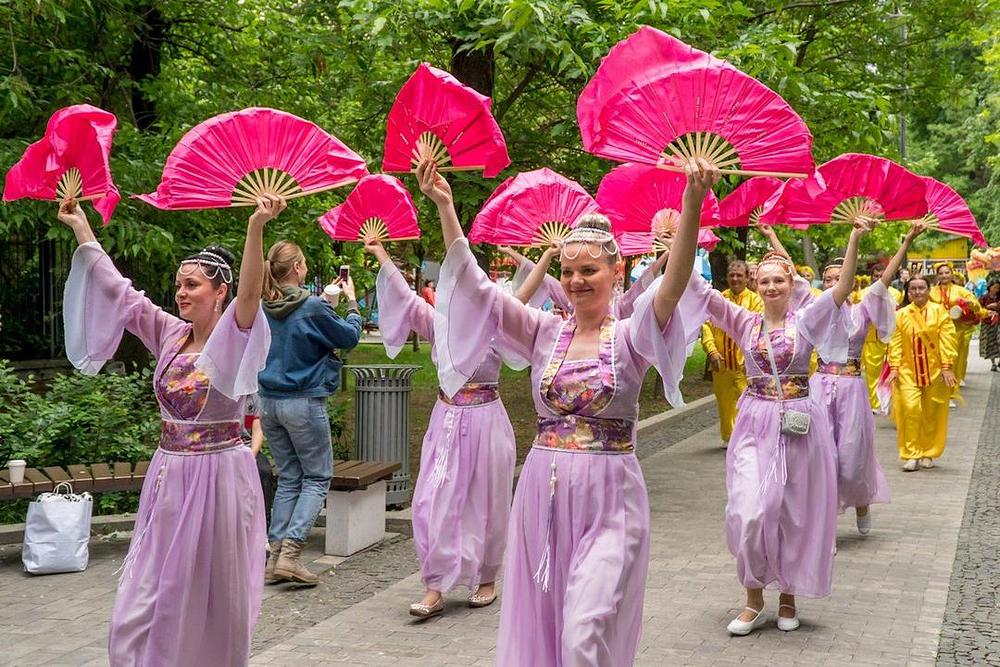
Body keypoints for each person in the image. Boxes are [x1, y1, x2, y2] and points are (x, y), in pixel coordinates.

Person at [422, 155, 717, 665]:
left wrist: (690, 203)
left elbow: (672, 286)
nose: (577, 280)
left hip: (612, 498)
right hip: (543, 491)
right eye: (569, 271)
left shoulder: (631, 336)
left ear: (615, 271)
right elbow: (474, 287)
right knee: (547, 620)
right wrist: (446, 207)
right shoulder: (541, 333)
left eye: (589, 270)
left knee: (585, 629)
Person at [60, 195, 281, 665]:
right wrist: (82, 229)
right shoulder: (168, 333)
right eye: (179, 284)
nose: (180, 293)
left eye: (193, 285)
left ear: (219, 291)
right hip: (169, 479)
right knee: (143, 600)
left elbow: (250, 297)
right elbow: (120, 292)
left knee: (210, 595)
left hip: (220, 479)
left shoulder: (235, 337)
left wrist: (256, 226)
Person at [685, 220, 871, 636]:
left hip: (799, 425)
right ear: (755, 283)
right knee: (749, 509)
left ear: (790, 284)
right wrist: (680, 237)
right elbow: (697, 291)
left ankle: (788, 595)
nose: (770, 287)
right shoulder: (742, 320)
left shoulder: (806, 320)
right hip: (754, 422)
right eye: (763, 280)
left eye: (778, 280)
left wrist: (855, 237)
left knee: (793, 512)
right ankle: (752, 597)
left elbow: (840, 290)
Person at [365, 238, 516, 620]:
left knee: (486, 499)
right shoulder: (440, 325)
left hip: (486, 420)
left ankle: (485, 577)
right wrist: (381, 253)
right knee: (433, 500)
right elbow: (406, 298)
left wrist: (541, 257)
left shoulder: (498, 327)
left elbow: (528, 303)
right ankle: (434, 583)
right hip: (446, 421)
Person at [258, 241, 363, 585]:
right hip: (303, 401)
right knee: (317, 477)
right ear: (299, 267)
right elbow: (348, 337)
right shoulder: (311, 306)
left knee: (289, 476)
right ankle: (291, 554)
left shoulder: (263, 306)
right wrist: (351, 302)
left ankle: (275, 558)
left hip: (268, 402)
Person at [812, 223, 924, 535]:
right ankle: (825, 524)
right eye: (830, 279)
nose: (837, 283)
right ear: (823, 284)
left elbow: (886, 279)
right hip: (820, 387)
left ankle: (861, 500)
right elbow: (791, 282)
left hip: (851, 388)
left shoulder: (862, 310)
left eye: (841, 277)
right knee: (821, 455)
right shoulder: (815, 310)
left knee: (851, 454)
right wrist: (772, 237)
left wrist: (907, 241)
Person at [887, 275, 958, 470]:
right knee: (911, 409)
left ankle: (929, 452)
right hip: (908, 371)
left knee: (931, 412)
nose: (917, 292)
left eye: (921, 288)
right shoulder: (900, 315)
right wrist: (894, 368)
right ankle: (912, 453)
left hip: (935, 372)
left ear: (928, 290)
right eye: (913, 289)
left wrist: (946, 366)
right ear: (907, 292)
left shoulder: (940, 312)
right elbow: (895, 343)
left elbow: (948, 340)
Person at [701, 260, 763, 446]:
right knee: (725, 404)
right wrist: (711, 351)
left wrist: (750, 356)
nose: (735, 279)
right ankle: (730, 439)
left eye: (739, 275)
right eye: (732, 275)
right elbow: (706, 326)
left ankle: (749, 436)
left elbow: (758, 329)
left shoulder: (755, 300)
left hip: (745, 366)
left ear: (746, 277)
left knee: (749, 402)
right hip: (722, 364)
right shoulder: (719, 299)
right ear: (727, 277)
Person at [929, 262, 986, 403]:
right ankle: (935, 391)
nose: (944, 276)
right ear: (937, 275)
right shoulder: (931, 292)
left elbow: (977, 306)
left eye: (947, 273)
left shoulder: (961, 290)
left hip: (956, 331)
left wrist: (968, 303)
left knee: (952, 362)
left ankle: (951, 393)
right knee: (935, 362)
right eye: (941, 273)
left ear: (952, 273)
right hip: (935, 331)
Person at [861, 263, 904, 411]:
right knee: (873, 373)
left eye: (883, 276)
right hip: (872, 338)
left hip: (893, 337)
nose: (879, 279)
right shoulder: (863, 293)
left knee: (894, 369)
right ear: (871, 277)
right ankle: (875, 404)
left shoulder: (896, 293)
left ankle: (891, 402)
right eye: (876, 276)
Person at [978, 280, 1000, 371]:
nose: (996, 289)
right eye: (994, 287)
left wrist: (997, 306)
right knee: (990, 343)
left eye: (998, 288)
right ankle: (993, 363)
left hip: (998, 322)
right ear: (989, 287)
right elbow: (978, 309)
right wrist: (987, 309)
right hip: (988, 323)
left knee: (998, 341)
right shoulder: (984, 298)